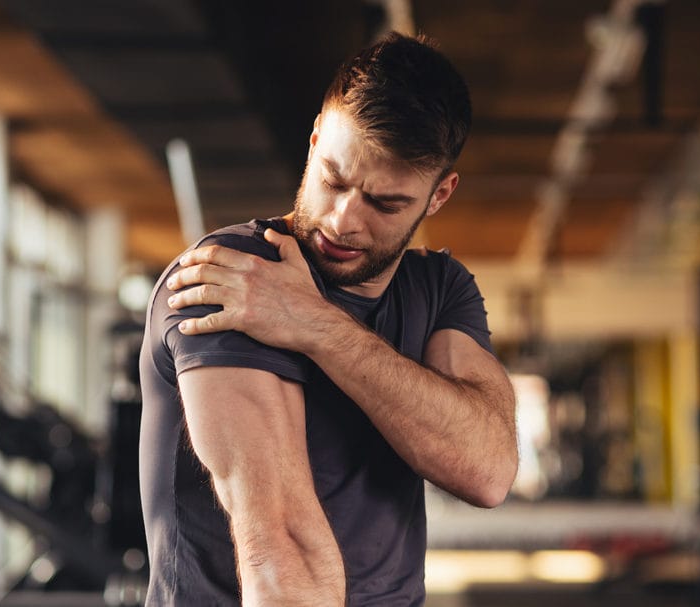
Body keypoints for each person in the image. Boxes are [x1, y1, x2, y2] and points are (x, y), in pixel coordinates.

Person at [139, 31, 518, 606]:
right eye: (333, 179)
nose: (343, 221)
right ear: (315, 140)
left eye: (385, 203)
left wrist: (317, 326)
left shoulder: (438, 288)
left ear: (439, 196)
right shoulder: (235, 277)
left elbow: (487, 470)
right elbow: (279, 548)